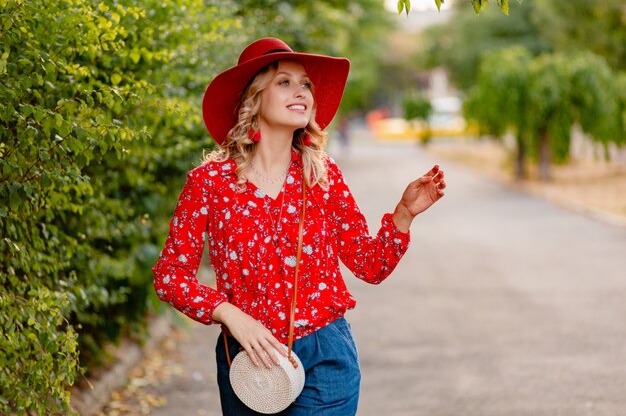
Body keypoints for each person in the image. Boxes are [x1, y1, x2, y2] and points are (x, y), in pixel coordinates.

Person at [152, 37, 446, 416]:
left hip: (324, 356)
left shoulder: (322, 175)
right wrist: (227, 312)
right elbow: (170, 276)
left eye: (305, 83)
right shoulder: (209, 183)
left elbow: (369, 265)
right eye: (284, 82)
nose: (301, 92)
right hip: (246, 361)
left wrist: (404, 214)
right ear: (253, 99)